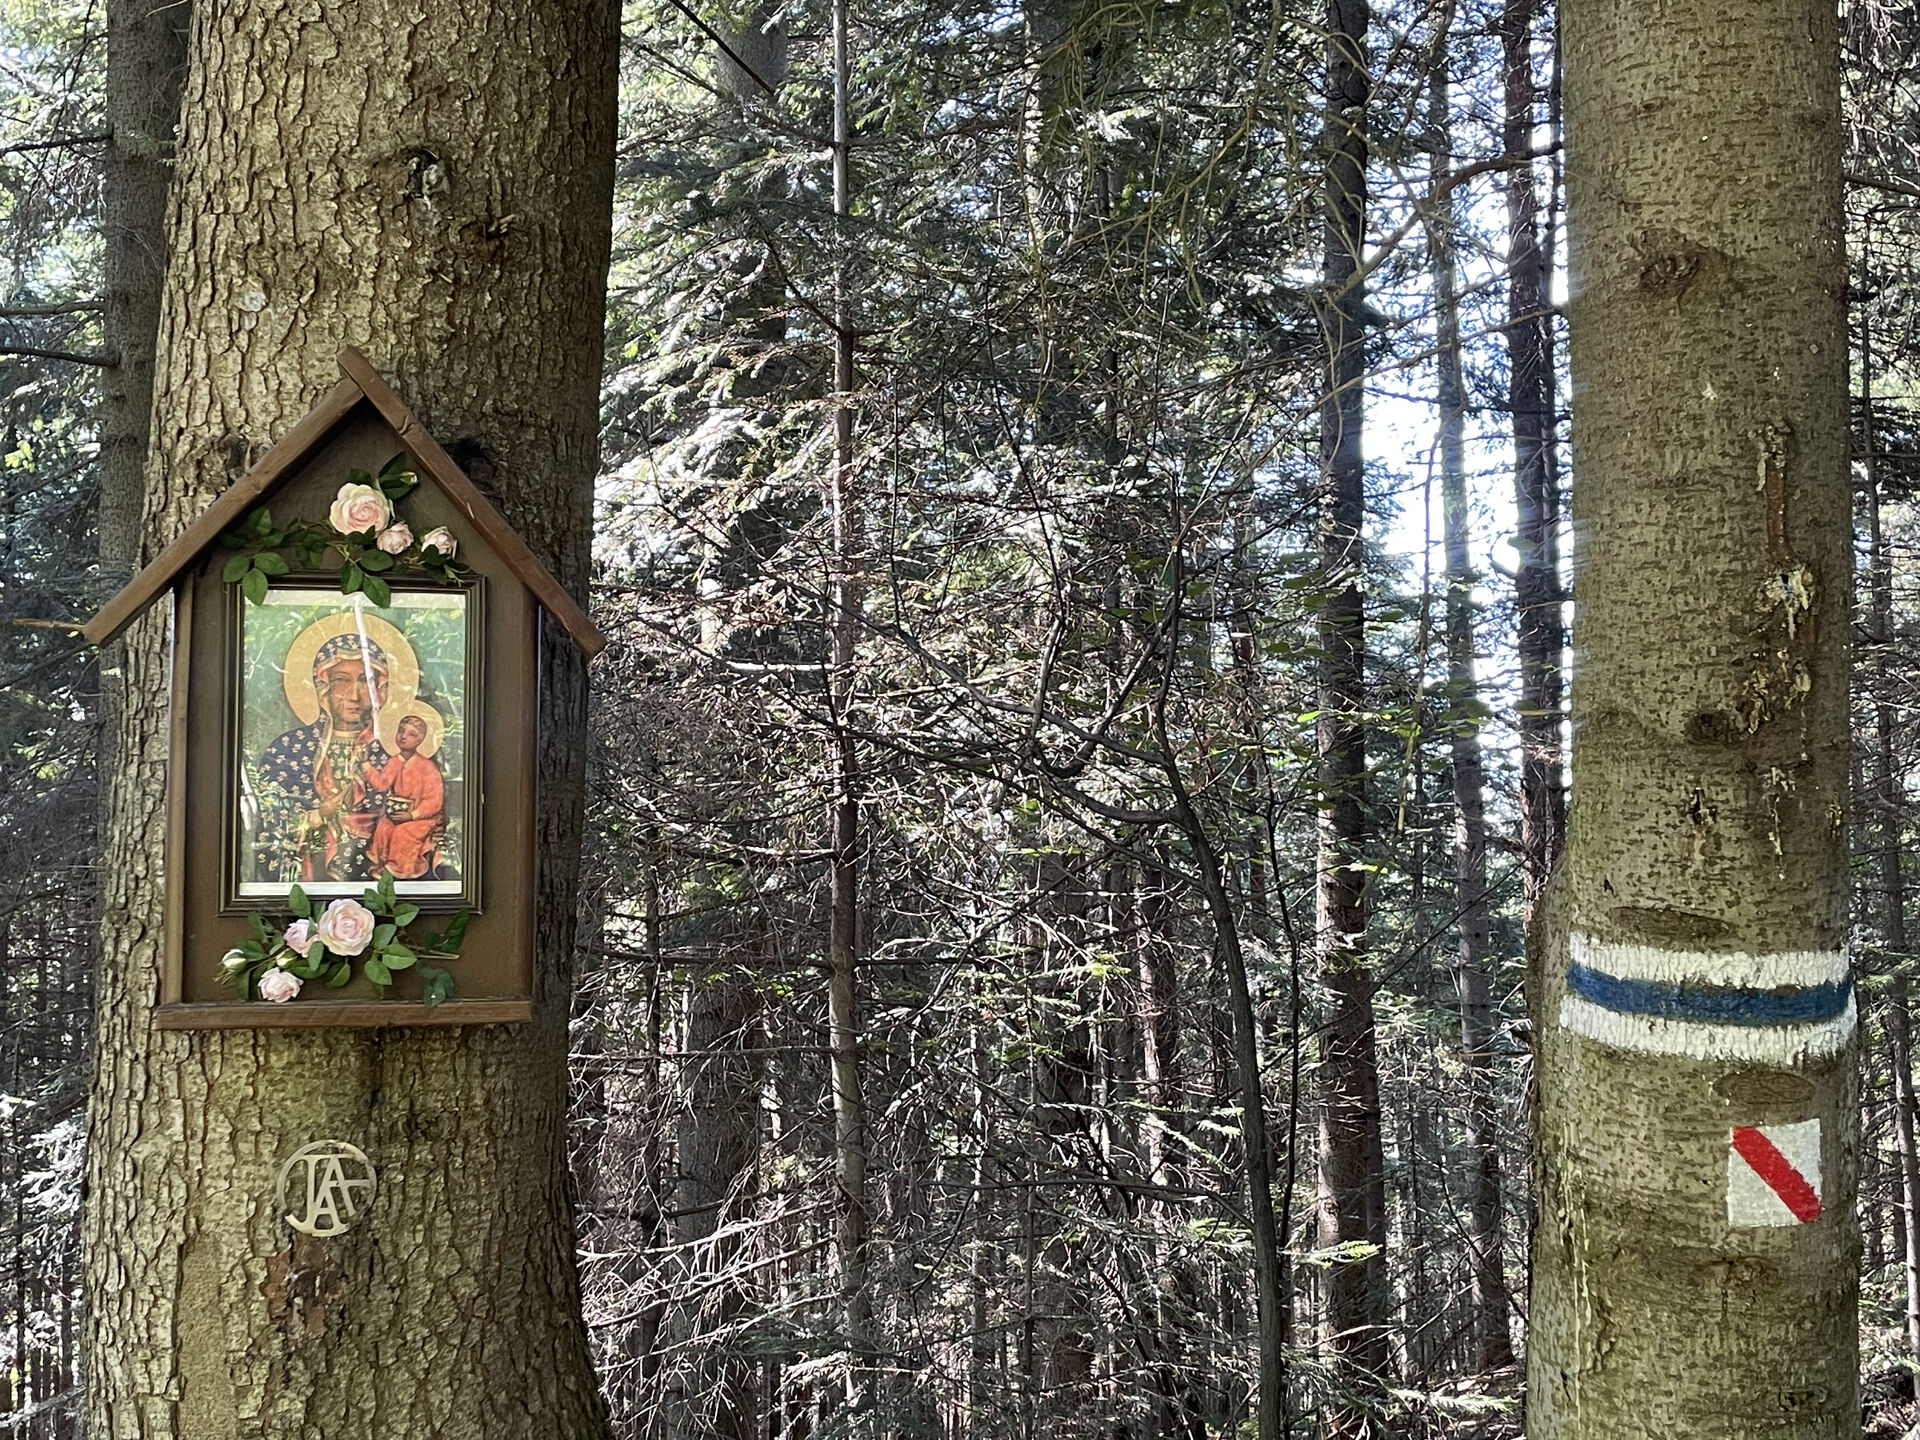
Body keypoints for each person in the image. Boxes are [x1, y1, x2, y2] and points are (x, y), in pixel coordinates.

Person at [253, 634, 392, 883]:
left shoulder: (391, 751)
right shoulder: (289, 749)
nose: (354, 695)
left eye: (366, 680)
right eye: (341, 680)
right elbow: (272, 826)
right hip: (312, 878)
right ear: (322, 687)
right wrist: (317, 814)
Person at [364, 712, 446, 879]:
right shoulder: (395, 761)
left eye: (411, 734)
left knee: (402, 833)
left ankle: (401, 873)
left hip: (422, 818)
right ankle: (382, 871)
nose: (403, 736)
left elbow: (435, 801)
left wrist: (412, 815)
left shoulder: (427, 767)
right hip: (398, 814)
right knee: (383, 828)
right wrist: (366, 765)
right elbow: (382, 783)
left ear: (420, 740)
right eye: (401, 731)